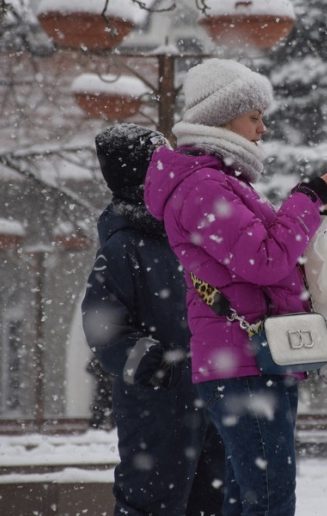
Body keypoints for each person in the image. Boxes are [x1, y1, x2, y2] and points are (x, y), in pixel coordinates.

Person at [144, 58, 327, 516]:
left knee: (250, 499)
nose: (263, 129)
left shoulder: (218, 183)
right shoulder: (203, 186)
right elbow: (266, 261)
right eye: (254, 116)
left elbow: (264, 254)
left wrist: (316, 212)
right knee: (269, 502)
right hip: (246, 363)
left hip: (249, 359)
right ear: (221, 117)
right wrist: (305, 200)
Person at [82, 124, 227, 516]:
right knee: (150, 501)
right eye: (163, 162)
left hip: (211, 391)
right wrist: (153, 364)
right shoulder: (123, 246)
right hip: (158, 404)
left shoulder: (189, 230)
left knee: (215, 501)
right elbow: (103, 324)